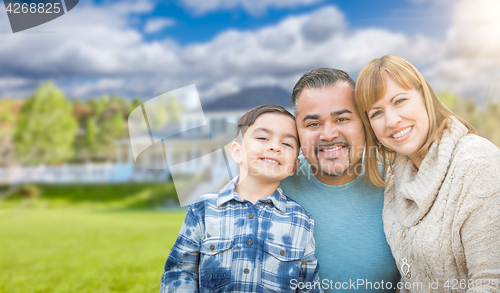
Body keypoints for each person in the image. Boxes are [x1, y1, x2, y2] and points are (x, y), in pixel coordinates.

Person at [355, 54, 500, 292]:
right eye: (376, 113)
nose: (391, 120)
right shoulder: (397, 175)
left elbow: (491, 283)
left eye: (399, 100)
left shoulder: (477, 162)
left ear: (425, 96)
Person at [160, 104, 323, 293]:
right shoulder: (203, 208)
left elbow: (308, 285)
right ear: (237, 151)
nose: (275, 147)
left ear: (294, 166)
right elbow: (180, 272)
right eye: (263, 137)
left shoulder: (300, 220)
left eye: (287, 144)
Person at [280, 68, 400, 292]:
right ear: (296, 130)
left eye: (342, 119)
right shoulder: (274, 189)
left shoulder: (398, 182)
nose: (328, 134)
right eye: (313, 124)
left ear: (364, 122)